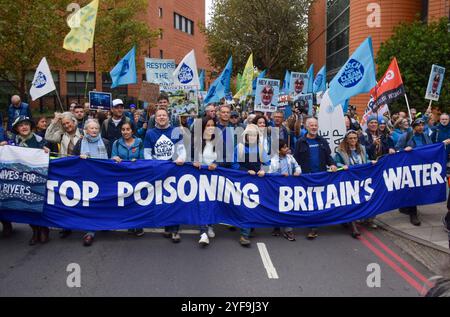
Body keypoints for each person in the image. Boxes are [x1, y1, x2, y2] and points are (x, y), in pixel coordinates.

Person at [0, 116, 50, 245]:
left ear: (31, 126)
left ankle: (44, 229)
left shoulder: (40, 140)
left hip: (38, 177)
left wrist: (46, 151)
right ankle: (34, 230)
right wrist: (3, 147)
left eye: (26, 124)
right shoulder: (12, 142)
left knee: (40, 203)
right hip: (22, 180)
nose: (24, 127)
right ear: (17, 128)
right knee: (27, 205)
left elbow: (49, 156)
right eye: (20, 125)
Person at [144, 108, 186, 243]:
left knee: (174, 200)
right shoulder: (150, 133)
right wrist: (154, 165)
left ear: (168, 118)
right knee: (162, 200)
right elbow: (147, 153)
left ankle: (175, 230)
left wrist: (180, 159)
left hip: (174, 170)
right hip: (158, 171)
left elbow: (181, 150)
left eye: (164, 115)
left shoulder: (175, 131)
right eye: (159, 116)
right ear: (155, 119)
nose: (161, 117)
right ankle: (168, 228)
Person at [294, 117, 337, 240]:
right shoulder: (300, 142)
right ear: (306, 127)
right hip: (306, 177)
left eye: (315, 125)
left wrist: (333, 164)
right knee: (309, 202)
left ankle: (313, 227)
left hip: (321, 177)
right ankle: (310, 223)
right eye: (311, 125)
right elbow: (295, 160)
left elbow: (328, 156)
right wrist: (295, 171)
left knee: (318, 201)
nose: (313, 127)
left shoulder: (322, 141)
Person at [73, 119, 112, 246]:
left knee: (103, 203)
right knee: (90, 205)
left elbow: (111, 159)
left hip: (103, 178)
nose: (94, 130)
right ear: (86, 130)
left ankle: (104, 224)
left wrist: (115, 159)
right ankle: (90, 232)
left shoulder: (106, 142)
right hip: (87, 179)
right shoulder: (80, 143)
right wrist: (79, 158)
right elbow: (72, 159)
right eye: (91, 128)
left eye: (96, 128)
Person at [396, 118, 439, 226]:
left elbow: (431, 148)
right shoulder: (406, 136)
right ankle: (413, 214)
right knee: (412, 189)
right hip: (410, 167)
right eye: (418, 125)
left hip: (422, 167)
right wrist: (405, 149)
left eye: (422, 125)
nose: (421, 127)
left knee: (418, 189)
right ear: (413, 126)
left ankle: (404, 207)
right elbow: (398, 149)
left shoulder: (425, 136)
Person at [232, 124, 269, 247]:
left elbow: (268, 163)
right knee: (246, 207)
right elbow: (234, 164)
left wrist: (264, 170)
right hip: (244, 181)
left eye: (255, 135)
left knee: (255, 206)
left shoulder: (260, 148)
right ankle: (244, 234)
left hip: (258, 181)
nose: (252, 137)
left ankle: (250, 228)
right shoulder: (239, 148)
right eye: (250, 135)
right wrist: (245, 171)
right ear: (246, 136)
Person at [335, 130, 376, 238]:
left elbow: (365, 160)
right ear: (346, 140)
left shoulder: (362, 148)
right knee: (351, 201)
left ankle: (368, 219)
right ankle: (353, 227)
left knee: (368, 198)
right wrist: (341, 166)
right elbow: (335, 163)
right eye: (350, 138)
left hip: (362, 178)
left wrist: (371, 162)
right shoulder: (340, 151)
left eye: (355, 138)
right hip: (349, 180)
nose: (353, 140)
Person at [111, 121, 145, 237]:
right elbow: (112, 157)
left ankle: (139, 225)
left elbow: (143, 158)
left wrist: (138, 161)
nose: (125, 132)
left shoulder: (139, 142)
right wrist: (114, 158)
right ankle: (130, 224)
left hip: (136, 176)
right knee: (126, 201)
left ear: (132, 131)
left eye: (128, 129)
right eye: (123, 129)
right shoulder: (116, 143)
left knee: (137, 201)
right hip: (122, 177)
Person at [193, 117, 219, 247]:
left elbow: (226, 158)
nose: (210, 127)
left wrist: (216, 163)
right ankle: (203, 232)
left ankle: (210, 226)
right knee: (203, 203)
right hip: (200, 178)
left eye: (212, 125)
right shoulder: (197, 141)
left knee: (212, 203)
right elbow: (190, 156)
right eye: (207, 125)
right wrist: (194, 161)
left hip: (214, 178)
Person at [269, 140, 301, 241]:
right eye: (284, 147)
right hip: (277, 187)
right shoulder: (273, 160)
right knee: (277, 207)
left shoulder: (290, 157)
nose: (287, 149)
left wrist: (297, 171)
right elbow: (269, 174)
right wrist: (280, 175)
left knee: (287, 207)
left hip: (288, 187)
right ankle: (276, 227)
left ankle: (288, 230)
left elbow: (297, 166)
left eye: (287, 147)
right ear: (278, 150)